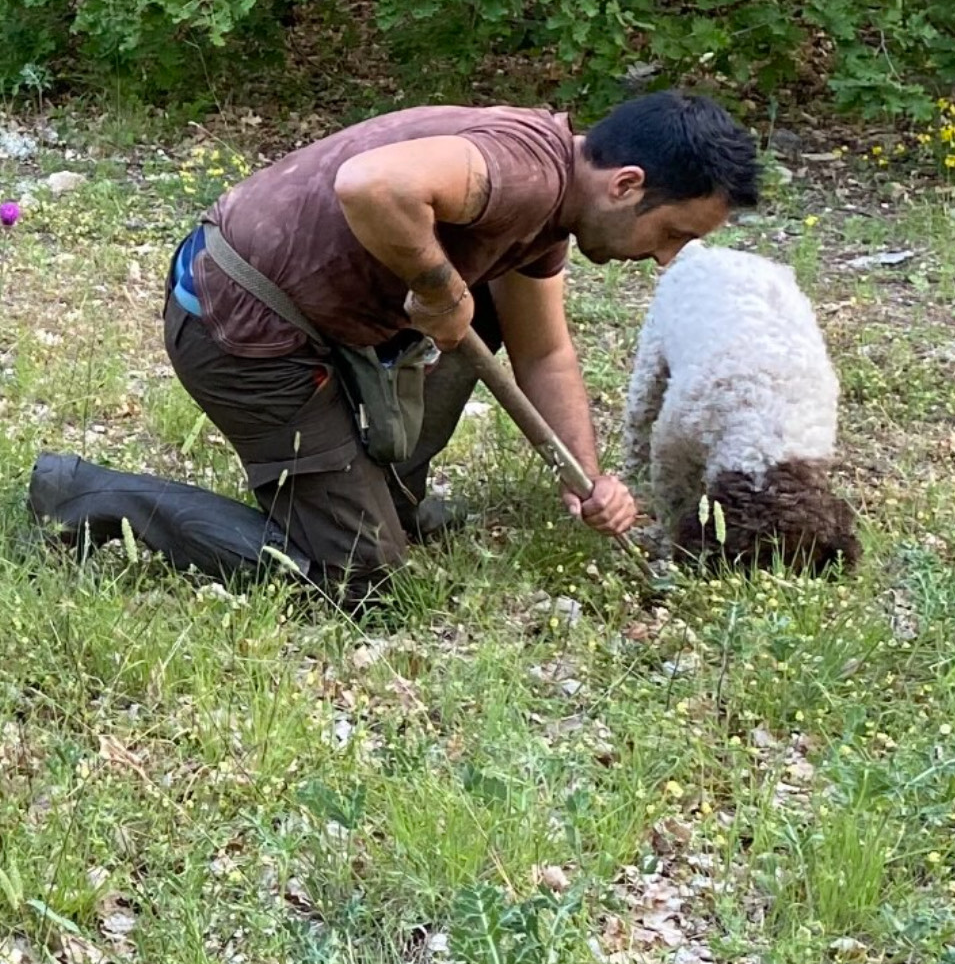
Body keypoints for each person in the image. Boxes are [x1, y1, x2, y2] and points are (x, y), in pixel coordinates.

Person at [29, 90, 758, 603]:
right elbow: (372, 183)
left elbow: (544, 354)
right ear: (627, 184)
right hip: (244, 330)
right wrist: (441, 290)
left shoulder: (553, 211)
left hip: (337, 329)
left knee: (490, 315)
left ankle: (388, 497)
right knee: (355, 585)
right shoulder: (525, 171)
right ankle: (81, 493)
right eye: (673, 234)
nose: (666, 258)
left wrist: (584, 478)